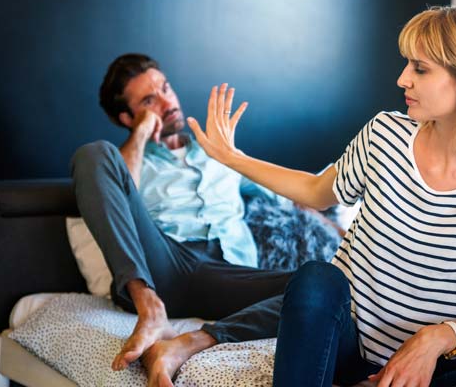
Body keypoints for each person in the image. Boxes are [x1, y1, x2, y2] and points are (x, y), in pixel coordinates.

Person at [188, 4, 456, 386]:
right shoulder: (385, 134)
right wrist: (232, 158)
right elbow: (317, 192)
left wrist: (435, 339)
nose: (403, 79)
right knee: (316, 279)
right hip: (348, 349)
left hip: (431, 366)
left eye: (420, 68)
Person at [71, 53, 323, 386]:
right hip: (164, 267)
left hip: (227, 274)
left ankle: (191, 341)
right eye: (149, 100)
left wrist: (333, 227)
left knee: (324, 287)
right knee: (92, 153)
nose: (166, 102)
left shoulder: (218, 153)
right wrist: (142, 132)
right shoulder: (131, 158)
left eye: (165, 88)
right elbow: (117, 189)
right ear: (126, 116)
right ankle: (150, 310)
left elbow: (291, 196)